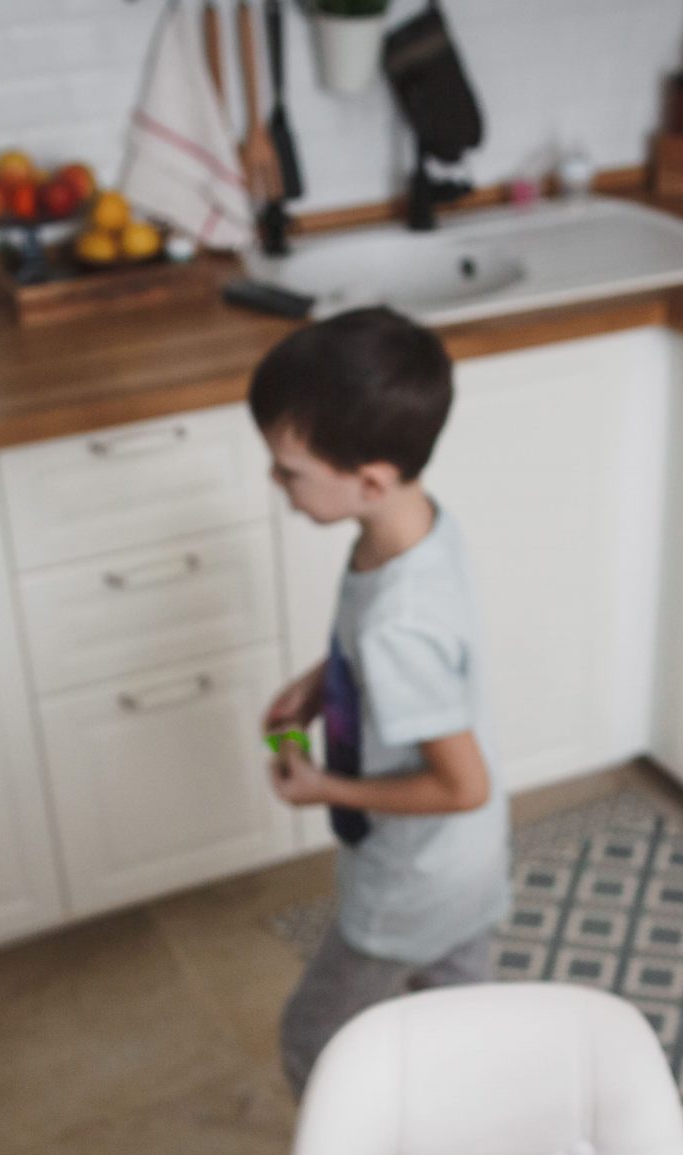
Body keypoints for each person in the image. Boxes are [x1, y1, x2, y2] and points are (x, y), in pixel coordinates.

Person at [253, 308, 509, 1096]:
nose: (276, 482)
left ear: (368, 480)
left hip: (411, 881)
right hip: (468, 867)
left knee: (312, 1040)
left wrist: (323, 786)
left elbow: (461, 783)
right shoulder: (415, 529)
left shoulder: (400, 619)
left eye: (290, 469)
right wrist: (325, 678)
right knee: (458, 1031)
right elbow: (398, 651)